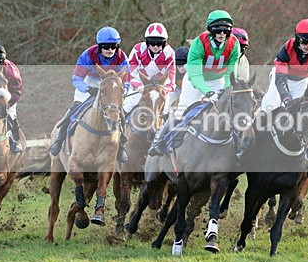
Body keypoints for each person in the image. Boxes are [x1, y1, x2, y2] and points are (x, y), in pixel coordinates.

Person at [148, 10, 240, 156]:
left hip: (218, 80)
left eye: (226, 30)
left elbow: (230, 73)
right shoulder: (199, 43)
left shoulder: (234, 44)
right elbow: (196, 75)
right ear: (211, 29)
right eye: (218, 30)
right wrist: (208, 93)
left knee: (229, 110)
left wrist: (226, 90)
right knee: (181, 112)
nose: (222, 34)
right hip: (194, 81)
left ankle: (238, 148)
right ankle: (159, 140)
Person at [260, 18, 308, 176]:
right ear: (298, 39)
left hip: (303, 82)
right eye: (305, 42)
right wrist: (286, 99)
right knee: (267, 107)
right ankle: (250, 148)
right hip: (282, 79)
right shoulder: (286, 48)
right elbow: (280, 79)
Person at [48, 26, 130, 159]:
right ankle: (59, 138)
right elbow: (76, 79)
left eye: (113, 46)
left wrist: (121, 92)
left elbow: (126, 82)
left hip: (110, 86)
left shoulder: (122, 58)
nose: (110, 50)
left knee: (120, 112)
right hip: (89, 82)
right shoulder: (88, 55)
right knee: (75, 107)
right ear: (99, 46)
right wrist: (87, 88)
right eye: (106, 46)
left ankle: (121, 146)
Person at [124, 22, 176, 117]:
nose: (155, 46)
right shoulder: (138, 49)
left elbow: (171, 80)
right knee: (127, 107)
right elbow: (130, 73)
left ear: (164, 43)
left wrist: (165, 89)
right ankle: (121, 129)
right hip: (140, 85)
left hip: (160, 86)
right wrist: (139, 86)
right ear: (147, 42)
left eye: (159, 43)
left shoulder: (170, 53)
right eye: (152, 43)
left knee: (165, 111)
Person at [167, 45, 190, 112]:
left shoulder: (192, 70)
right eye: (179, 65)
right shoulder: (171, 69)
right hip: (176, 87)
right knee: (167, 102)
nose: (181, 68)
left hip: (189, 89)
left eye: (184, 65)